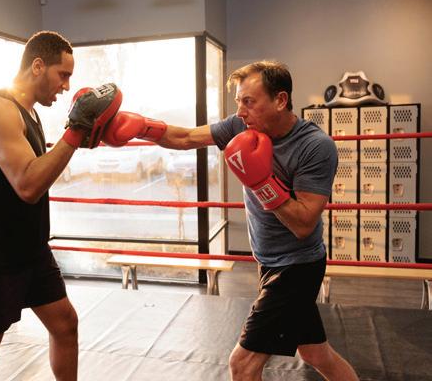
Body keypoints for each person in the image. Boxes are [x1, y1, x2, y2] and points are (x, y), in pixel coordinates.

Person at [101, 60, 359, 381]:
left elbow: (304, 224)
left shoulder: (314, 146)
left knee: (243, 363)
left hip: (297, 268)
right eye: (238, 101)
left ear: (280, 100)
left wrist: (262, 183)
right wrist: (143, 128)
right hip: (270, 262)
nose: (240, 111)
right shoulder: (242, 126)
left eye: (248, 101)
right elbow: (186, 137)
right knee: (315, 352)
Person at [0, 31, 121, 381]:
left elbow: (38, 172)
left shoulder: (30, 112)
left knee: (65, 325)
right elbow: (28, 185)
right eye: (62, 75)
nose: (66, 86)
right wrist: (75, 133)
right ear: (38, 66)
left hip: (28, 249)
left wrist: (77, 136)